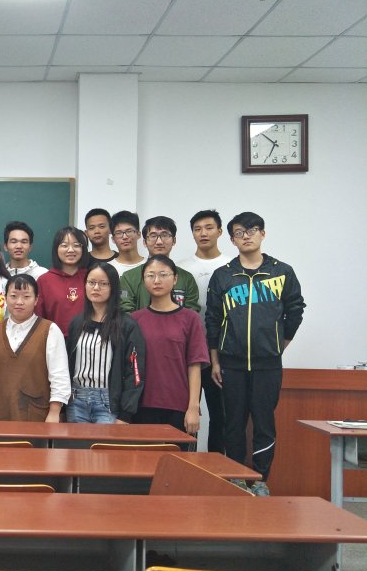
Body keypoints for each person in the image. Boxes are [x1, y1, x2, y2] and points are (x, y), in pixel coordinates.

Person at [206, 212, 305, 497]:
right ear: (232, 239)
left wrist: (278, 346)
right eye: (239, 232)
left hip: (267, 365)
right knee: (233, 423)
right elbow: (212, 320)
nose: (246, 236)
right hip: (231, 364)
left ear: (263, 233)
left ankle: (261, 479)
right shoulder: (223, 275)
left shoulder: (282, 272)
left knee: (264, 423)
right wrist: (215, 360)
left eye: (252, 230)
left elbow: (295, 311)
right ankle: (237, 478)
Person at [131, 256, 209, 437]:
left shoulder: (190, 319)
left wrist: (193, 407)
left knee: (177, 455)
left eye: (163, 274)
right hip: (142, 406)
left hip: (179, 406)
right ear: (143, 280)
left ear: (175, 279)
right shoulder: (134, 320)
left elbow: (195, 365)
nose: (157, 280)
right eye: (150, 275)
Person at [177, 209, 231, 454]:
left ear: (219, 231)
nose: (203, 233)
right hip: (186, 352)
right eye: (197, 229)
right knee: (187, 412)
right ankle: (187, 465)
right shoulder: (180, 268)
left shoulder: (231, 266)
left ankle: (215, 466)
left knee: (222, 414)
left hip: (220, 350)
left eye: (209, 228)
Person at [65, 262, 145, 423]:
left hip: (108, 403)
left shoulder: (127, 325)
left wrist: (126, 414)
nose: (96, 288)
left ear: (113, 287)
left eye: (103, 284)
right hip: (76, 400)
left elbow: (135, 372)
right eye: (91, 282)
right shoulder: (77, 323)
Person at [0, 274, 71, 422]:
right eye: (13, 296)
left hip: (37, 416)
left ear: (36, 300)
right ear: (5, 298)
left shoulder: (50, 330)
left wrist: (54, 412)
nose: (19, 302)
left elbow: (59, 376)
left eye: (26, 296)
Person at [119, 216, 200, 312]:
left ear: (174, 240)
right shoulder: (129, 278)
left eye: (165, 235)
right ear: (144, 242)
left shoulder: (186, 278)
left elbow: (191, 314)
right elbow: (125, 312)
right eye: (153, 236)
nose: (159, 242)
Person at [34, 226, 89, 336]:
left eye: (76, 245)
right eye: (64, 245)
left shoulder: (91, 277)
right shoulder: (44, 280)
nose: (71, 250)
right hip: (54, 340)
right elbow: (38, 318)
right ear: (56, 249)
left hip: (88, 340)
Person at [109, 210, 146, 277]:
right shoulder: (108, 269)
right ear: (113, 239)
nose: (125, 237)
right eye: (119, 233)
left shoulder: (150, 265)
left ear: (138, 234)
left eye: (129, 231)